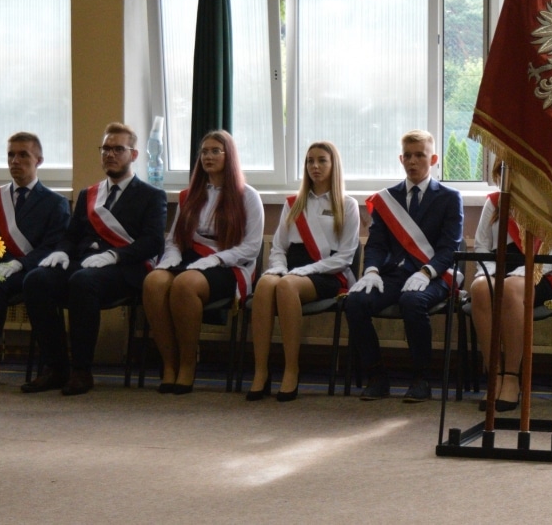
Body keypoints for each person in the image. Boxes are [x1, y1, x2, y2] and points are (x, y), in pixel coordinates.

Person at [21, 122, 167, 396]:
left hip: (126, 269)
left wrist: (115, 255)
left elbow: (153, 242)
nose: (110, 154)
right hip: (84, 265)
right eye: (105, 149)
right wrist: (62, 251)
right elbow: (72, 235)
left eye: (118, 149)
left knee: (82, 282)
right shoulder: (89, 195)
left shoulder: (151, 195)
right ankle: (55, 367)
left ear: (134, 155)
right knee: (36, 279)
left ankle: (81, 370)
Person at [344, 129, 463, 402]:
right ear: (400, 158)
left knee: (413, 302)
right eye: (407, 156)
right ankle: (377, 376)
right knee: (355, 302)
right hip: (395, 274)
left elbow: (449, 249)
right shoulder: (388, 198)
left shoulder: (449, 197)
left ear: (432, 159)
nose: (412, 161)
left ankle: (421, 379)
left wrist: (426, 271)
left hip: (434, 274)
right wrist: (371, 270)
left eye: (419, 155)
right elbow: (375, 244)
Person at [143, 130, 264, 395]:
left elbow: (252, 246)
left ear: (228, 155)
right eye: (204, 152)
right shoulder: (190, 195)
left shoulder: (247, 196)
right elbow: (174, 238)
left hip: (228, 264)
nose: (208, 156)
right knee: (154, 282)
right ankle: (169, 363)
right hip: (189, 259)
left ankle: (188, 365)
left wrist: (216, 259)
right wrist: (171, 258)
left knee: (185, 284)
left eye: (215, 151)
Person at [245, 141, 359, 402]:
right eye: (310, 161)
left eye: (322, 160)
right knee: (265, 285)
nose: (315, 166)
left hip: (328, 273)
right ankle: (261, 371)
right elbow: (278, 247)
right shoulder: (293, 203)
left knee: (286, 286)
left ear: (334, 165)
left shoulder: (348, 204)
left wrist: (302, 272)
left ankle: (291, 369)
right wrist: (279, 269)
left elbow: (344, 258)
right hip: (290, 268)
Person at [0, 133, 71, 390]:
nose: (15, 161)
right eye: (11, 155)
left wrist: (21, 263)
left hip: (30, 271)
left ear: (38, 160)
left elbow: (54, 246)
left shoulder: (56, 203)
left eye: (23, 155)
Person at [469, 169, 552, 412]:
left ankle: (511, 376)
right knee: (479, 289)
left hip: (541, 273)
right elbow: (482, 246)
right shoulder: (496, 202)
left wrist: (530, 271)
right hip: (499, 269)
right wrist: (490, 272)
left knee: (510, 289)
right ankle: (493, 373)